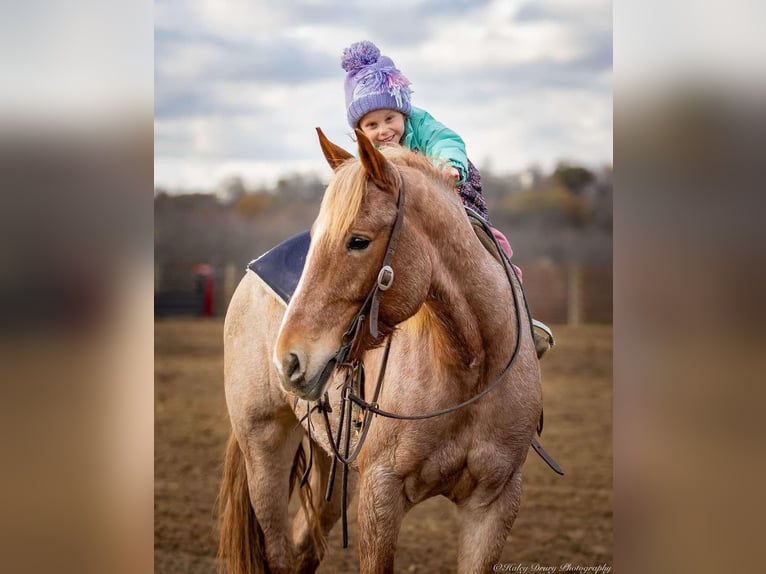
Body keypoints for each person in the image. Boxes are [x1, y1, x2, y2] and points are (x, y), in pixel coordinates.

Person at [340, 40, 554, 358]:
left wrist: (448, 165)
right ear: (360, 130)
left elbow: (447, 140)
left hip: (450, 191)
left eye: (390, 119)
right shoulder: (368, 154)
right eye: (372, 125)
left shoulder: (422, 124)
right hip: (402, 213)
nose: (383, 130)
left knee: (491, 243)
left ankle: (520, 314)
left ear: (402, 113)